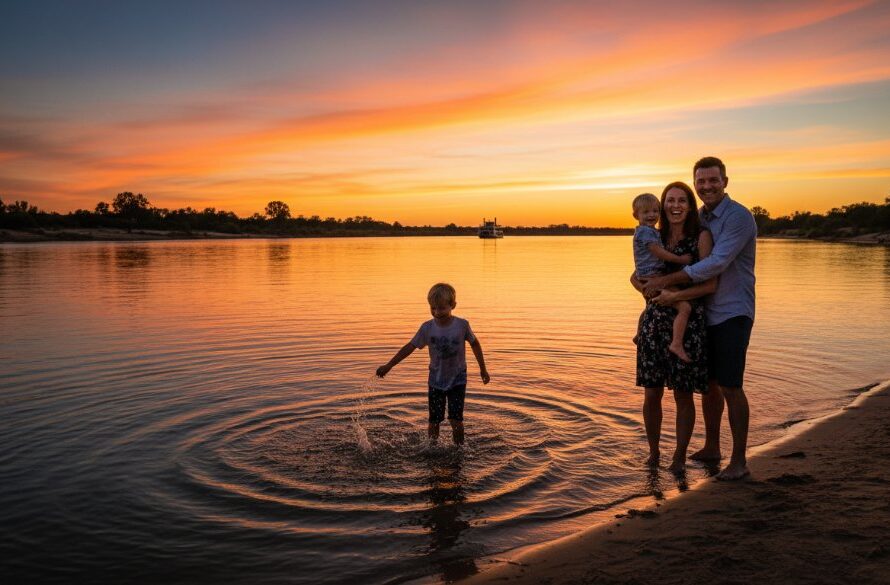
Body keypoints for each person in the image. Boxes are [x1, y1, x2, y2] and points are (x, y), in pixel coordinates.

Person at [642, 156, 757, 480]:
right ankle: (711, 447)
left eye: (713, 180)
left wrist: (668, 285)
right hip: (703, 312)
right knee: (709, 386)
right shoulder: (702, 218)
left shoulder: (738, 218)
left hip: (733, 310)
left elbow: (716, 264)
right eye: (701, 181)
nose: (707, 186)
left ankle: (739, 461)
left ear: (725, 181)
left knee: (731, 385)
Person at [632, 183, 717, 471]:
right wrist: (645, 289)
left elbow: (709, 283)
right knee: (652, 392)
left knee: (683, 393)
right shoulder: (657, 235)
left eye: (682, 200)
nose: (675, 205)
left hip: (686, 323)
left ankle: (679, 456)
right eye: (670, 200)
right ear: (663, 206)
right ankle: (654, 453)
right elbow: (636, 276)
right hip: (655, 321)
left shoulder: (701, 237)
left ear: (690, 205)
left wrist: (674, 295)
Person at [376, 283, 490, 445]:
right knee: (434, 421)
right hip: (435, 381)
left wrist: (483, 370)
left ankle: (459, 450)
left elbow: (475, 344)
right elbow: (410, 347)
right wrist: (389, 365)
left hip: (458, 380)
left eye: (442, 308)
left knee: (455, 420)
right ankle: (431, 448)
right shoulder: (427, 328)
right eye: (433, 308)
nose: (437, 312)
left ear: (453, 306)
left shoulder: (462, 325)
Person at [632, 192, 694, 363]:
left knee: (650, 305)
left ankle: (638, 334)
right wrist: (680, 259)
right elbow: (658, 252)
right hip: (654, 276)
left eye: (655, 211)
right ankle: (676, 344)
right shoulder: (646, 232)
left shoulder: (649, 231)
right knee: (684, 307)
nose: (652, 215)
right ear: (636, 215)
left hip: (647, 276)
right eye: (646, 212)